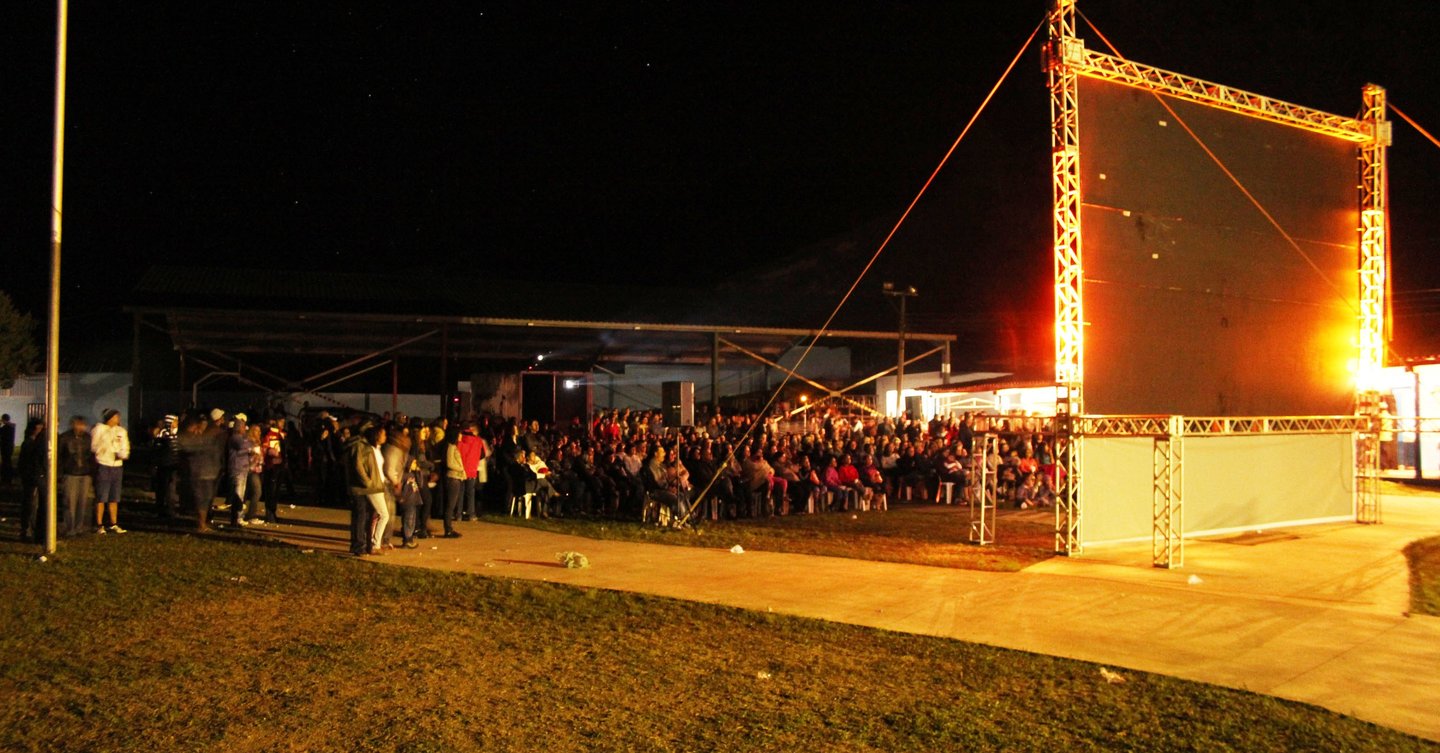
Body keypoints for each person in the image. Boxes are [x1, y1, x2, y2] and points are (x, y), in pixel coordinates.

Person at [90, 408, 130, 533]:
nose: (117, 419)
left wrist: (123, 454)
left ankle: (113, 523)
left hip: (117, 466)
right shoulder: (99, 429)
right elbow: (94, 446)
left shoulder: (121, 431)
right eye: (115, 416)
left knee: (114, 496)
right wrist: (103, 449)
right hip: (103, 464)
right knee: (101, 496)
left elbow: (125, 446)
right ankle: (99, 524)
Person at [57, 415, 95, 537]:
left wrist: (91, 471)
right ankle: (70, 527)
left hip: (85, 473)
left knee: (82, 502)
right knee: (69, 502)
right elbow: (60, 456)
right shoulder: (65, 438)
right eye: (78, 424)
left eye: (83, 425)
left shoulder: (88, 438)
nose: (81, 427)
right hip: (70, 473)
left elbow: (91, 456)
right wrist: (60, 473)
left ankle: (80, 527)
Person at [18, 420, 45, 542]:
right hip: (31, 478)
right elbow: (25, 462)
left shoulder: (37, 443)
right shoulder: (29, 443)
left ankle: (33, 529)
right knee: (30, 505)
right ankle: (27, 529)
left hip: (36, 477)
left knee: (35, 505)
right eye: (37, 428)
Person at [152, 415, 180, 518]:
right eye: (175, 421)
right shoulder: (162, 434)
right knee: (163, 488)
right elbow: (158, 450)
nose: (177, 423)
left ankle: (170, 508)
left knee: (171, 488)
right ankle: (161, 509)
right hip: (164, 465)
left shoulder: (177, 434)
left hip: (173, 465)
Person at [0, 413, 15, 485]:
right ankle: (8, 479)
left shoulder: (5, 428)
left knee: (5, 463)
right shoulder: (12, 427)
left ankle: (6, 479)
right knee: (8, 462)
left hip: (5, 447)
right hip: (9, 447)